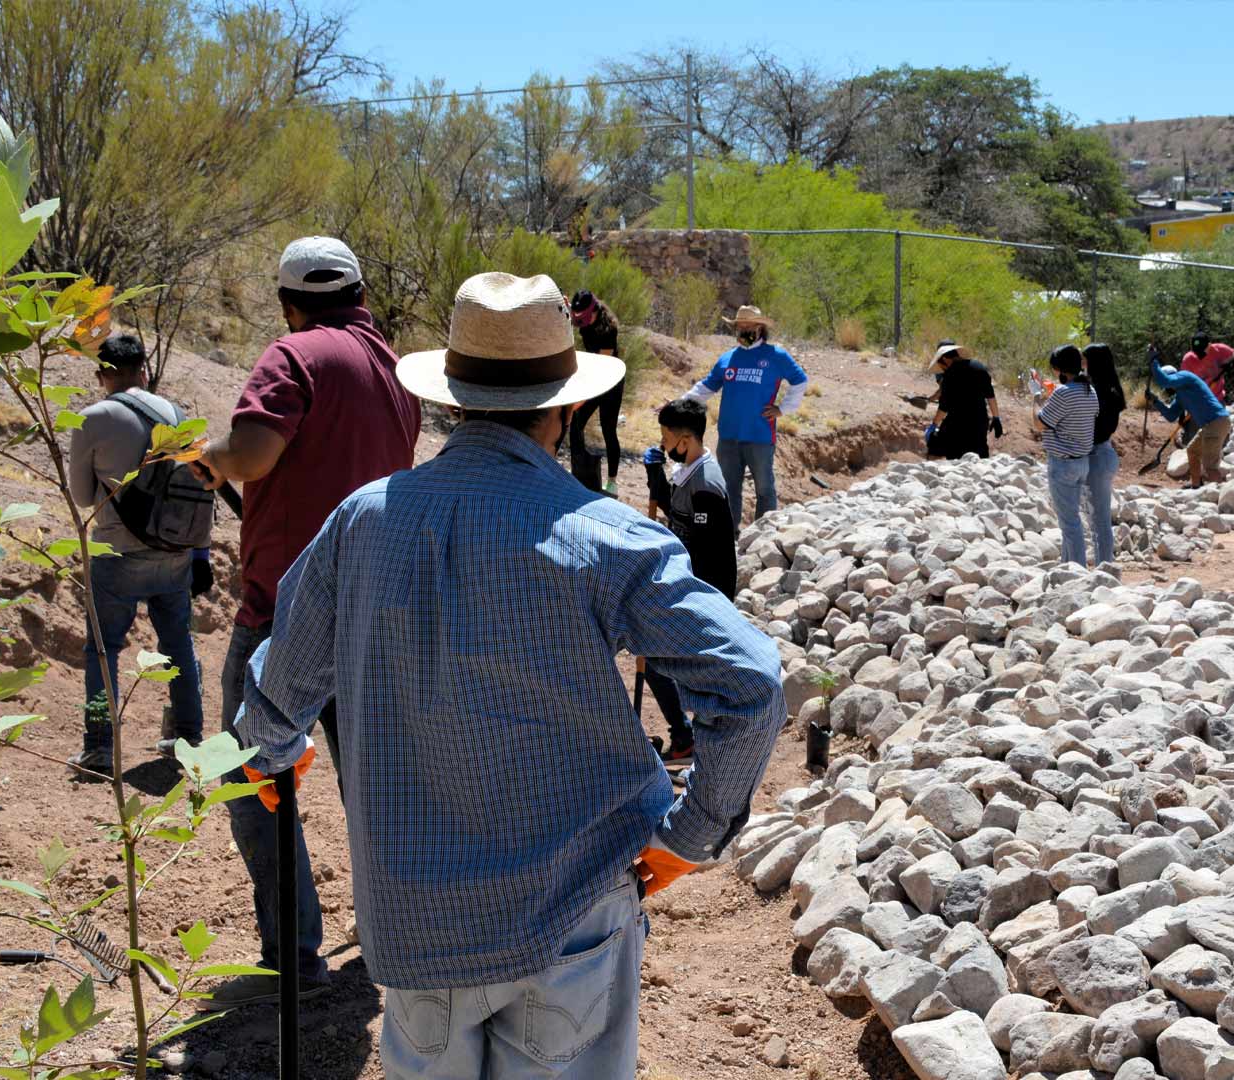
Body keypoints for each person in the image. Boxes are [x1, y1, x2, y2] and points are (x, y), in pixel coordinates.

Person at [234, 272, 784, 1079]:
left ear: (450, 400)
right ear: (562, 410)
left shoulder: (362, 519)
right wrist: (689, 834)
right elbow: (751, 685)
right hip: (574, 913)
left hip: (415, 924)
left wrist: (271, 748)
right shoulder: (607, 537)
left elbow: (278, 684)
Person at [191, 236, 422, 1011]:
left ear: (288, 301)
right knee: (375, 784)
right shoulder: (395, 369)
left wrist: (210, 455)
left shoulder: (293, 355)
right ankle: (401, 936)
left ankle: (293, 954)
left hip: (286, 614)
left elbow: (255, 453)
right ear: (359, 291)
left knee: (251, 775)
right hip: (378, 608)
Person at [64, 334, 206, 777]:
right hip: (174, 552)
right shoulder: (175, 415)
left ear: (102, 373)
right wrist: (200, 553)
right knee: (178, 645)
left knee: (102, 651)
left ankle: (100, 748)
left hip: (117, 556)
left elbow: (83, 497)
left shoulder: (92, 418)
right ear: (143, 368)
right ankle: (187, 737)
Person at [640, 397, 739, 764]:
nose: (664, 445)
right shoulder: (690, 473)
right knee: (657, 662)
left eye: (666, 438)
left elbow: (705, 550)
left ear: (684, 440)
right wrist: (656, 477)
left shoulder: (706, 486)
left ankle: (694, 742)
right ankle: (687, 738)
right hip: (686, 587)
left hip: (703, 593)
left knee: (662, 664)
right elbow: (679, 516)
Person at [681, 305, 808, 523]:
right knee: (728, 489)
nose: (744, 331)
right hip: (728, 436)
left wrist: (783, 409)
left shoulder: (776, 356)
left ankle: (764, 535)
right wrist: (679, 403)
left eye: (749, 327)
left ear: (760, 329)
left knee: (764, 488)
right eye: (740, 327)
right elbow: (706, 388)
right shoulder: (728, 358)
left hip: (760, 436)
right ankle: (730, 537)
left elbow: (800, 380)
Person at [1033, 344, 1098, 566]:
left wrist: (1035, 398)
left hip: (1062, 464)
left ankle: (1077, 571)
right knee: (1071, 520)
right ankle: (1066, 566)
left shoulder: (1063, 393)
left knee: (1069, 524)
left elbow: (1039, 424)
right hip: (1082, 463)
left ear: (1060, 369)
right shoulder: (1090, 390)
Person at [1147, 348, 1233, 488]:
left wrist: (1153, 361)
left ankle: (1225, 493)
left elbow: (1164, 381)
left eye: (1170, 385)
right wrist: (1155, 401)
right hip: (1210, 425)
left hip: (1216, 422)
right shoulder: (1181, 395)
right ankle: (1196, 485)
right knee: (1192, 450)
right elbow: (1171, 415)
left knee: (1210, 467)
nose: (1169, 389)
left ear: (1174, 377)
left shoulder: (1185, 377)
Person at [568, 290, 624, 494]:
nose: (580, 322)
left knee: (608, 429)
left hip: (610, 378)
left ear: (593, 311)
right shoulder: (585, 323)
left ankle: (612, 482)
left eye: (582, 317)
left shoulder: (608, 329)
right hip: (594, 373)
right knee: (576, 422)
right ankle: (579, 469)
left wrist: (582, 397)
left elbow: (603, 366)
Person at [1083, 342, 1126, 566]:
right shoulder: (1112, 389)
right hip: (1106, 453)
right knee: (1101, 519)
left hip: (1095, 455)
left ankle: (1104, 570)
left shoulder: (1094, 392)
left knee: (1098, 521)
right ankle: (1105, 566)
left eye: (1085, 360)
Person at [923, 342, 1002, 459]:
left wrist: (933, 425)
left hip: (957, 425)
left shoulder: (949, 375)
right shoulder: (979, 366)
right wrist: (996, 418)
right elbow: (991, 397)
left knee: (939, 450)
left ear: (945, 359)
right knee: (980, 457)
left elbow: (944, 407)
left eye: (940, 364)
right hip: (980, 422)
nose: (942, 368)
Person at [1182, 332, 1234, 401]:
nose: (1198, 354)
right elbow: (1183, 383)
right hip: (1198, 399)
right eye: (1196, 351)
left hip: (1217, 398)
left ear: (1209, 345)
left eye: (1201, 351)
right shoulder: (1188, 359)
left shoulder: (1220, 349)